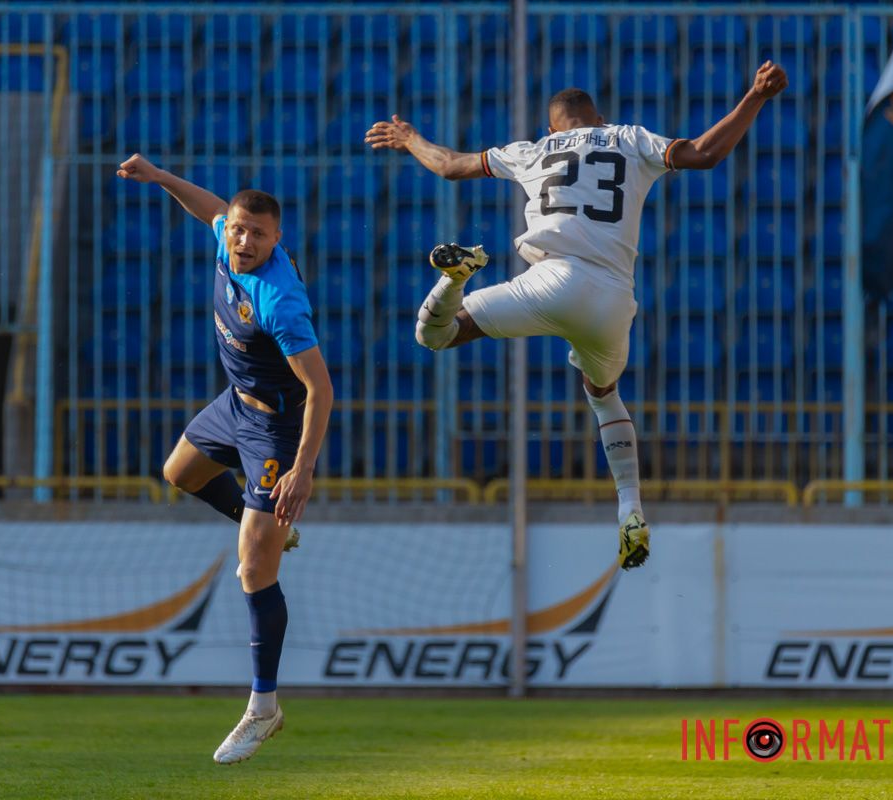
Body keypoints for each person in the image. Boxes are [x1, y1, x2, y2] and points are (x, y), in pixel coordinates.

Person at [365, 61, 789, 570]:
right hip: (610, 299)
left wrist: (410, 138)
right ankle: (630, 509)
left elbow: (451, 166)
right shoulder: (629, 138)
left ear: (551, 129)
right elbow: (704, 153)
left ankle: (456, 277)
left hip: (547, 281)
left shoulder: (532, 150)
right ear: (599, 119)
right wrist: (755, 95)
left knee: (436, 335)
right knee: (603, 395)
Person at [116, 154, 333, 763]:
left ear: (276, 239)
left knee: (252, 570)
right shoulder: (225, 236)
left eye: (258, 234)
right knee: (179, 472)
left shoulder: (279, 300)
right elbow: (208, 208)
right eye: (239, 229)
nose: (243, 240)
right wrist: (161, 177)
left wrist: (302, 469)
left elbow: (321, 389)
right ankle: (263, 525)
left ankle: (263, 708)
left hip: (275, 429)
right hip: (234, 404)